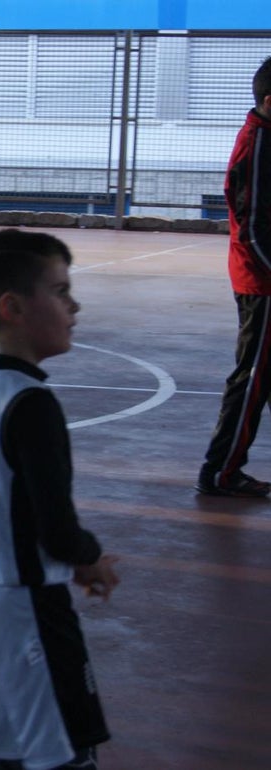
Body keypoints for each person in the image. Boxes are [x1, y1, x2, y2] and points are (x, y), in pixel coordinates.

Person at [0, 229, 120, 770]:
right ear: (14, 306)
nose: (74, 305)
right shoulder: (33, 404)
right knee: (63, 749)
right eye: (61, 290)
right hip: (26, 605)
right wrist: (89, 558)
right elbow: (56, 526)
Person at [197, 56, 271, 498]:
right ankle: (221, 471)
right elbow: (252, 231)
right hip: (262, 285)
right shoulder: (256, 147)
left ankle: (225, 469)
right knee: (252, 379)